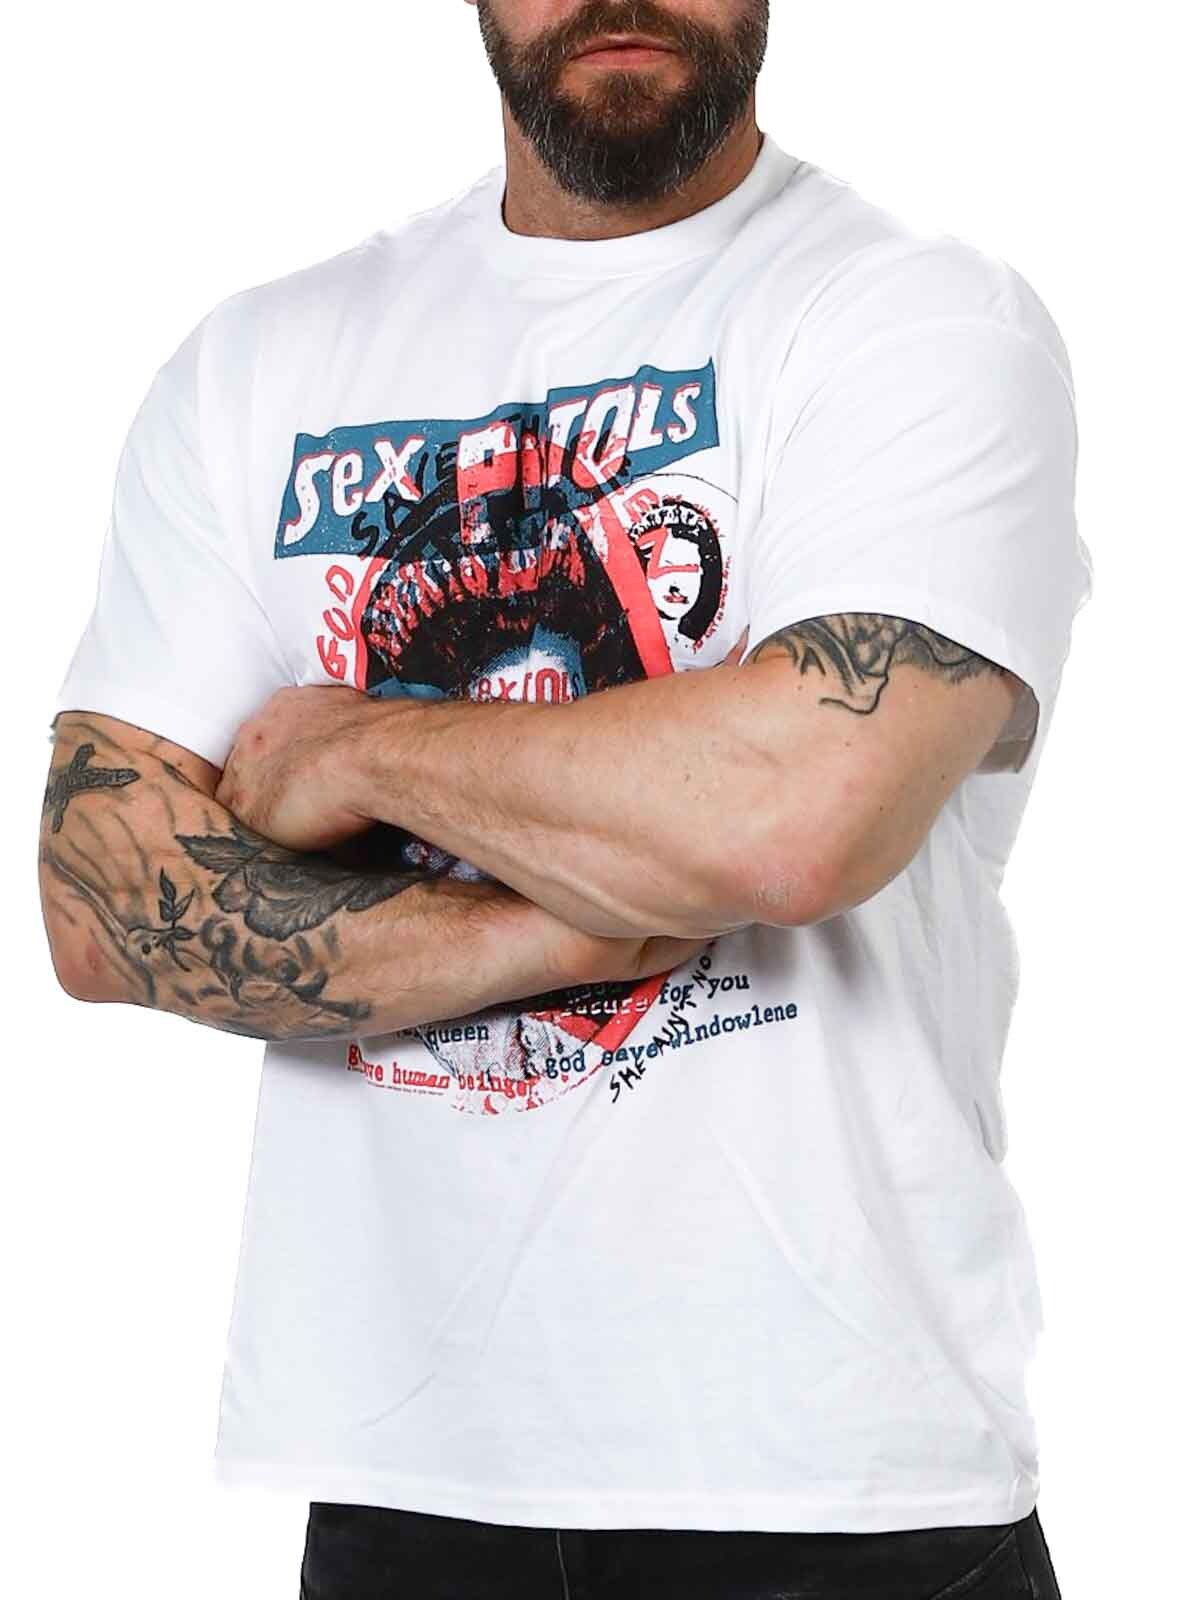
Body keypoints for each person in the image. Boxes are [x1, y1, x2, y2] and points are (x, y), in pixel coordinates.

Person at [38, 0, 1091, 1594]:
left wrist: (353, 750)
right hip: (405, 1482)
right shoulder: (260, 363)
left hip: (838, 1483)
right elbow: (103, 901)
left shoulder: (916, 318)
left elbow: (794, 816)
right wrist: (566, 931)